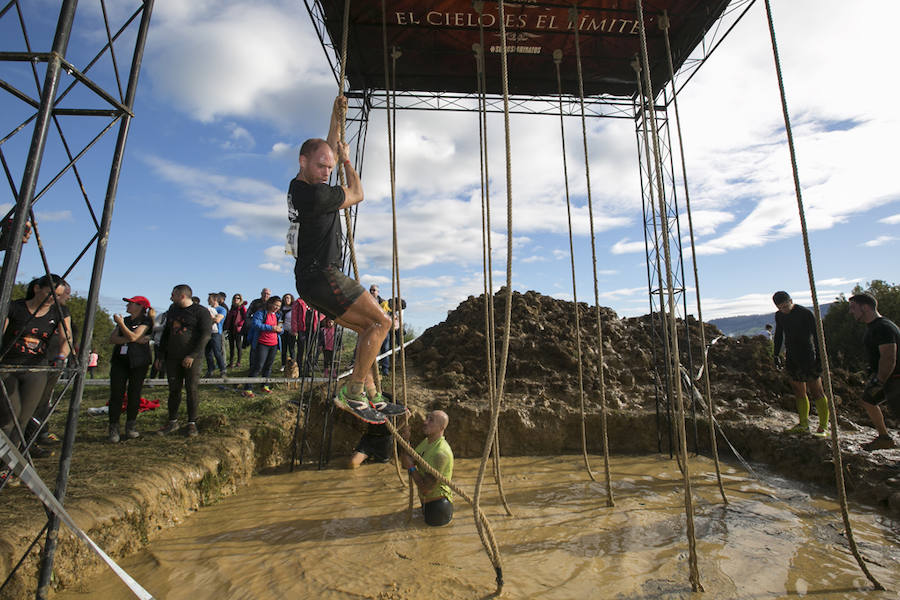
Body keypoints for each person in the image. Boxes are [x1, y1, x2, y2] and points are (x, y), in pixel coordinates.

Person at [289, 94, 391, 417]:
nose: (326, 171)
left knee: (367, 329)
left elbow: (326, 148)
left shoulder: (300, 185)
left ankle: (372, 394)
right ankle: (353, 391)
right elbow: (358, 194)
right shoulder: (318, 194)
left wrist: (336, 117)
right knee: (383, 320)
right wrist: (346, 160)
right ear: (302, 161)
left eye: (329, 167)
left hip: (309, 281)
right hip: (323, 275)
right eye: (321, 166)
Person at [0, 274, 70, 455]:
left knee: (23, 419)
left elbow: (66, 337)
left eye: (57, 295)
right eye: (49, 293)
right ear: (37, 289)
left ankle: (10, 467)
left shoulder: (59, 312)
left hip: (37, 368)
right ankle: (5, 458)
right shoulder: (15, 307)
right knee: (9, 417)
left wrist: (62, 355)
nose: (51, 299)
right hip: (9, 367)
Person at [155, 284, 212, 437]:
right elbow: (166, 333)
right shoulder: (172, 310)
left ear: (182, 296)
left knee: (191, 389)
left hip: (192, 358)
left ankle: (192, 423)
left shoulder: (201, 312)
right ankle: (172, 422)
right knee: (174, 390)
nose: (170, 297)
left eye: (172, 294)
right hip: (173, 356)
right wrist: (160, 356)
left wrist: (192, 355)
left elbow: (206, 335)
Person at [772, 291, 829, 436]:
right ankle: (803, 424)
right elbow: (779, 335)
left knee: (817, 391)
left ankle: (824, 427)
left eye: (786, 306)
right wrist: (775, 354)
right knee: (798, 391)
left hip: (808, 355)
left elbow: (818, 336)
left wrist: (820, 359)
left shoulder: (805, 314)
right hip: (792, 355)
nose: (784, 310)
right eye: (780, 308)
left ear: (791, 301)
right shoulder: (779, 316)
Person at [848, 293, 899, 450]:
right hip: (888, 377)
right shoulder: (874, 327)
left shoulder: (883, 327)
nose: (851, 312)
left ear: (865, 307)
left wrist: (880, 381)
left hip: (895, 377)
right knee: (868, 400)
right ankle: (884, 438)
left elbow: (888, 356)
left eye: (853, 308)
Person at [107, 296, 154, 442]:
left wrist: (122, 326)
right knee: (116, 394)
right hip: (120, 361)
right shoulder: (126, 320)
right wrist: (130, 337)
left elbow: (135, 335)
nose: (127, 305)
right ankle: (113, 427)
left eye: (131, 303)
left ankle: (130, 426)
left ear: (139, 306)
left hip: (138, 362)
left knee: (134, 393)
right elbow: (113, 339)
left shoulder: (146, 321)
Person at [401, 410, 454, 527]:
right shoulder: (427, 442)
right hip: (426, 503)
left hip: (438, 507)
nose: (425, 422)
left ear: (441, 428)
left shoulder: (441, 453)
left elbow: (426, 488)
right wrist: (406, 440)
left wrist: (411, 468)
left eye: (431, 420)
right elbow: (406, 462)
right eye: (427, 418)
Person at [243, 296, 282, 398]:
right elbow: (256, 324)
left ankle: (265, 386)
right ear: (270, 303)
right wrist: (271, 328)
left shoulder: (278, 315)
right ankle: (248, 388)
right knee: (258, 366)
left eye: (279, 306)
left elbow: (281, 329)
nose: (277, 308)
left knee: (268, 366)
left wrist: (279, 329)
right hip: (262, 343)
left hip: (273, 344)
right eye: (275, 305)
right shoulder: (260, 313)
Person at [204, 292, 227, 378]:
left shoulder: (221, 309)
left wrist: (209, 317)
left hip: (216, 333)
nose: (207, 301)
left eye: (209, 299)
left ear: (215, 300)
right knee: (207, 353)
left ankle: (223, 370)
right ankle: (210, 370)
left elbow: (217, 320)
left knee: (217, 352)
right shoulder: (207, 309)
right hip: (207, 332)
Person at [224, 293, 247, 368]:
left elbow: (245, 318)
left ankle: (238, 362)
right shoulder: (232, 308)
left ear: (240, 299)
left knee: (238, 346)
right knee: (231, 347)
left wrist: (240, 324)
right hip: (231, 329)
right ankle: (231, 362)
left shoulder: (242, 308)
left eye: (238, 298)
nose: (236, 299)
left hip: (238, 329)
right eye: (234, 298)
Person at [280, 293, 297, 371]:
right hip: (283, 331)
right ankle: (283, 364)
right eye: (285, 298)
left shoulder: (294, 308)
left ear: (291, 299)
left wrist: (295, 330)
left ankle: (293, 364)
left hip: (291, 331)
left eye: (288, 298)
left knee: (291, 349)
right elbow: (279, 320)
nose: (287, 299)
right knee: (283, 349)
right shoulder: (281, 308)